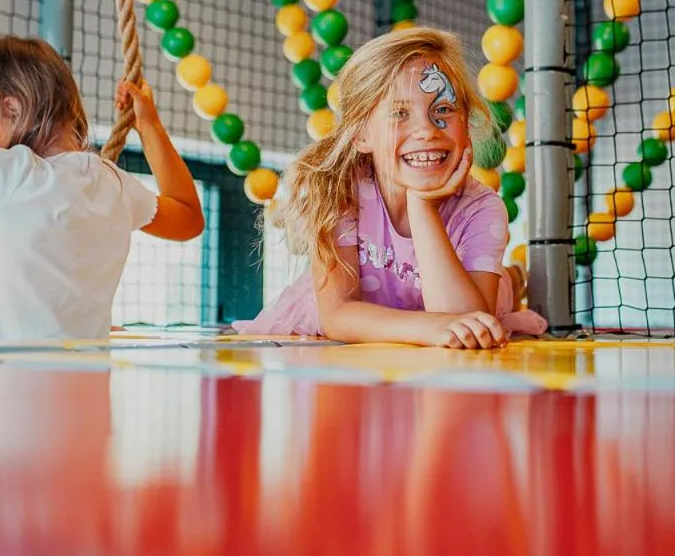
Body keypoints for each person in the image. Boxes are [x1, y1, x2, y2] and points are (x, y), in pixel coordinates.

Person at [233, 27, 546, 348]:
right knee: (495, 293)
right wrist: (427, 328)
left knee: (496, 297)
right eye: (400, 114)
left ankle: (511, 278)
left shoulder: (481, 207)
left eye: (443, 110)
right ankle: (511, 277)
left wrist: (422, 205)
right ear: (361, 135)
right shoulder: (340, 190)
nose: (426, 130)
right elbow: (338, 313)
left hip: (443, 298)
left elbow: (464, 324)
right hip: (361, 324)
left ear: (466, 121)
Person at [0, 0, 204, 342]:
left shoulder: (10, 175)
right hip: (83, 387)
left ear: (11, 110)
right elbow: (188, 217)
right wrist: (150, 127)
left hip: (0, 388)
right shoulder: (113, 183)